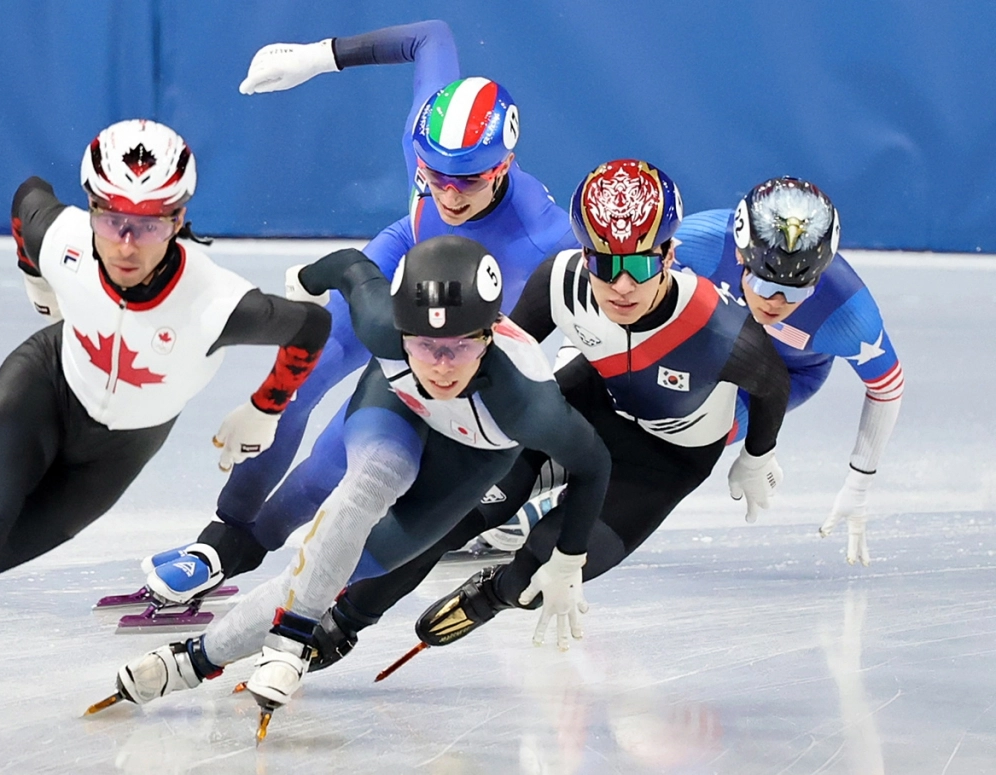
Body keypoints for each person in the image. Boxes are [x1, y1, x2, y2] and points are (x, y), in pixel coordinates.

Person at [0, 119, 332, 768]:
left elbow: (312, 325)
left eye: (151, 222)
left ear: (181, 217)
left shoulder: (215, 301)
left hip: (114, 456)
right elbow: (29, 199)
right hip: (41, 391)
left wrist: (264, 408)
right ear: (92, 206)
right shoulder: (69, 239)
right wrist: (38, 280)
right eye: (112, 218)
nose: (127, 243)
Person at [137, 21, 580, 608]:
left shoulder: (544, 236)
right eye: (433, 175)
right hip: (403, 254)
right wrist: (318, 57)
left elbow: (619, 298)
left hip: (453, 331)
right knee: (298, 379)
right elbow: (432, 37)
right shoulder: (430, 131)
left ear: (504, 165)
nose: (448, 193)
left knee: (340, 452)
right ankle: (221, 539)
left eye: (467, 180)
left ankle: (257, 545)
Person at [100, 235, 611, 725]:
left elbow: (595, 466)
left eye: (460, 346)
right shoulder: (381, 323)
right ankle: (292, 638)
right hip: (397, 408)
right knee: (371, 482)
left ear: (490, 333)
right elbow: (349, 265)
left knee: (343, 566)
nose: (441, 365)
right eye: (425, 344)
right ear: (400, 328)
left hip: (472, 457)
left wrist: (568, 558)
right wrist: (304, 279)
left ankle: (192, 661)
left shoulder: (527, 403)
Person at [308, 159, 794, 666]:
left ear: (669, 255)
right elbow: (497, 361)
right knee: (458, 512)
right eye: (605, 264)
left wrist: (758, 454)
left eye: (641, 265)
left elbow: (774, 385)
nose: (622, 285)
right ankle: (343, 621)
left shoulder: (721, 332)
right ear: (583, 254)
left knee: (544, 562)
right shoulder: (559, 281)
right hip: (589, 406)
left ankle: (496, 593)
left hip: (667, 460)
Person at [672, 177, 902, 565]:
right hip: (713, 343)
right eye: (763, 284)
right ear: (741, 256)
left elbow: (887, 387)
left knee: (690, 433)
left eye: (796, 290)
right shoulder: (702, 238)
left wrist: (858, 484)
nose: (776, 302)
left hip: (786, 374)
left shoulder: (849, 316)